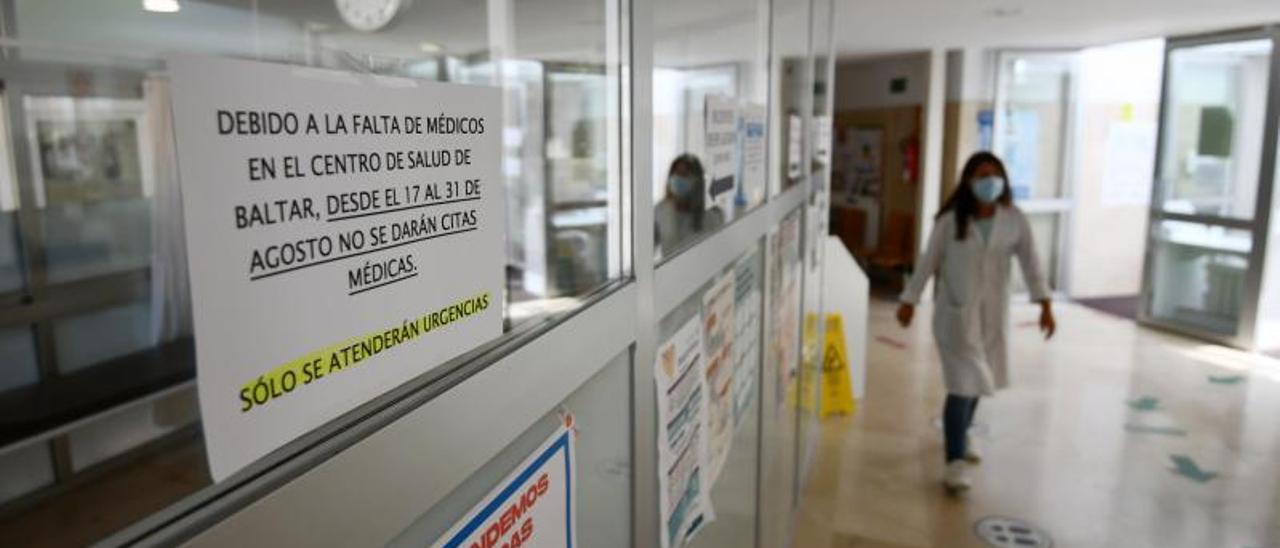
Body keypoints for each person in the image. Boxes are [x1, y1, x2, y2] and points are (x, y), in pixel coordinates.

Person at [895, 151, 1056, 494]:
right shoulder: (951, 221)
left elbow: (1032, 263)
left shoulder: (1014, 219)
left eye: (994, 174)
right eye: (982, 175)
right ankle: (954, 461)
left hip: (991, 317)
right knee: (961, 386)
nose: (989, 181)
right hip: (955, 317)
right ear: (969, 182)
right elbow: (928, 261)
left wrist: (1045, 304)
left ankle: (962, 436)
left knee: (980, 379)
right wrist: (909, 300)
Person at [655, 154, 723, 256]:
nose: (678, 179)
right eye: (676, 174)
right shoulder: (661, 210)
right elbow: (646, 248)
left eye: (685, 175)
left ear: (697, 181)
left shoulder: (711, 217)